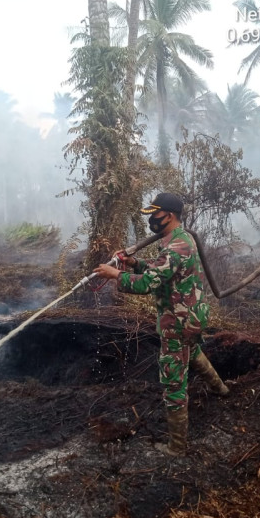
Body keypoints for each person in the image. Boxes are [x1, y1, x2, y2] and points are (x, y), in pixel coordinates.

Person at [93, 192, 232, 457]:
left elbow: (148, 283)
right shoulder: (181, 240)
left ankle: (177, 447)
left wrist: (116, 275)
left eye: (155, 214)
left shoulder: (176, 247)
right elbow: (160, 270)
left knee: (173, 381)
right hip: (191, 318)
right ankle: (221, 389)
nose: (151, 219)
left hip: (178, 323)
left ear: (168, 215)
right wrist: (133, 263)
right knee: (193, 354)